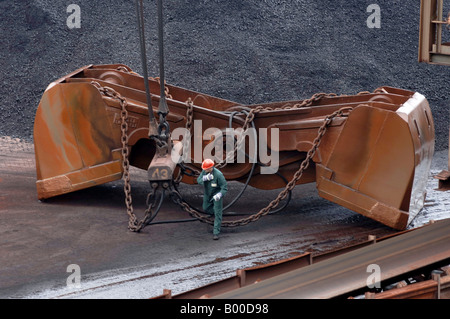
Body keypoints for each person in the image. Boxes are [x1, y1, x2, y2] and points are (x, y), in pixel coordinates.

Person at [197, 159, 228, 240]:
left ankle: (216, 232)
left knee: (217, 213)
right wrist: (205, 178)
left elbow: (224, 187)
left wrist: (219, 194)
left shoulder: (219, 175)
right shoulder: (204, 172)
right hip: (208, 194)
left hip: (216, 194)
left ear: (211, 168)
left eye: (206, 169)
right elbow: (198, 180)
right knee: (206, 208)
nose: (205, 170)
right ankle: (217, 213)